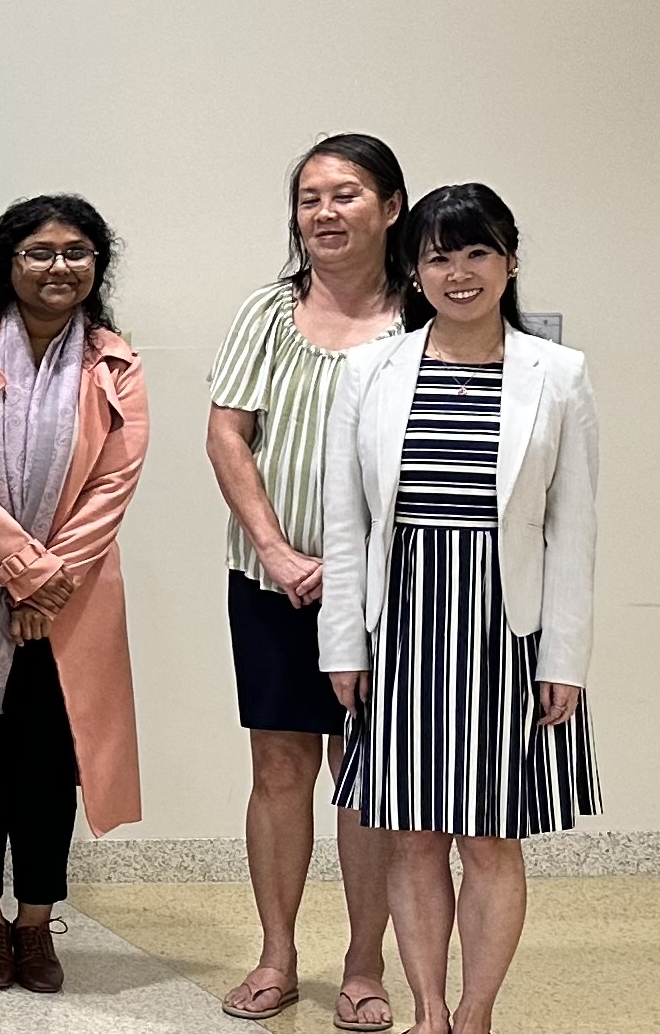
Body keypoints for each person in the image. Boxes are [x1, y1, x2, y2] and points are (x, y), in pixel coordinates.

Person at [322, 185, 598, 1034]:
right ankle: (429, 1012)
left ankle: (476, 1013)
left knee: (488, 838)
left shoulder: (559, 373)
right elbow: (345, 520)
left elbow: (574, 526)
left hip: (504, 628)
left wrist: (564, 659)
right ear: (414, 267)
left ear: (510, 259)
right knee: (410, 836)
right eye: (439, 254)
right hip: (401, 625)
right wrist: (345, 642)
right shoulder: (371, 367)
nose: (458, 271)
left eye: (476, 251)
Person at [0, 196, 149, 994]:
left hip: (69, 606)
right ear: (8, 260)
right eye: (40, 252)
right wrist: (21, 569)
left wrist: (47, 581)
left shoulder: (115, 361)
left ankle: (37, 927)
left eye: (77, 252)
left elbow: (114, 484)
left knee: (51, 769)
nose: (59, 267)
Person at [204, 134, 411, 1029]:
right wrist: (281, 551)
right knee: (281, 768)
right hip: (271, 580)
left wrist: (359, 562)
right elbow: (227, 434)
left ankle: (364, 967)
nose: (325, 213)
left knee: (366, 777)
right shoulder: (268, 310)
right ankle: (277, 955)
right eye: (310, 197)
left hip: (396, 589)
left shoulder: (425, 314)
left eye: (347, 194)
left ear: (392, 206)